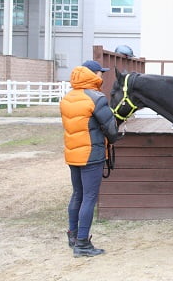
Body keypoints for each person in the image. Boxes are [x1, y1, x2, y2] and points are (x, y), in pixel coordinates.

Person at [60, 60, 118, 258]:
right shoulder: (96, 98)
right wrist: (114, 138)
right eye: (100, 72)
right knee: (89, 197)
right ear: (93, 74)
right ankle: (83, 243)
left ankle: (73, 235)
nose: (102, 75)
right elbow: (111, 128)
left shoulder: (67, 97)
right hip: (91, 154)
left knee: (77, 194)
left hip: (73, 153)